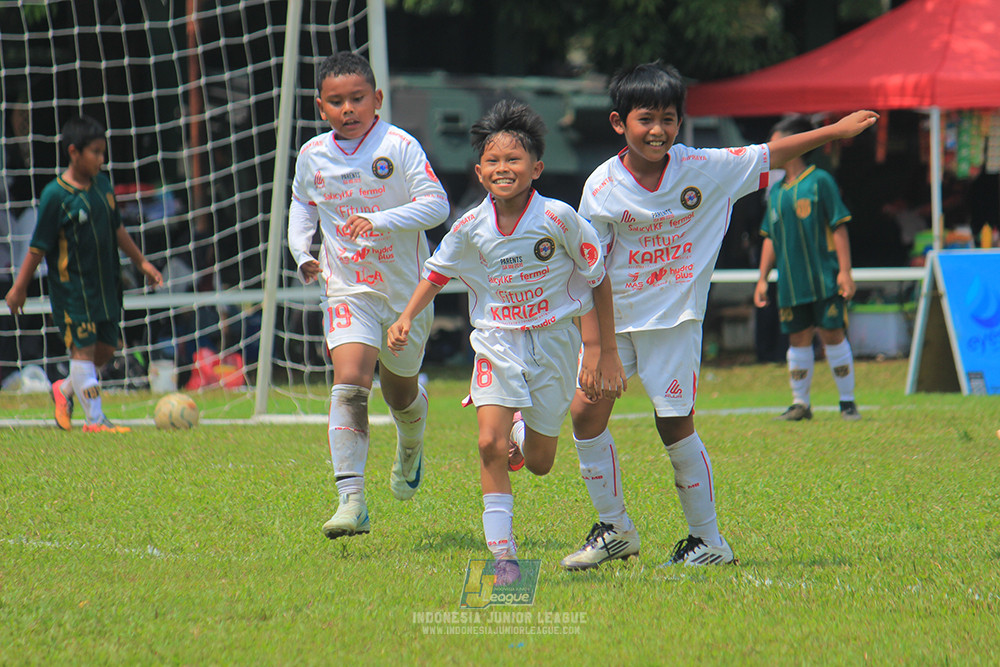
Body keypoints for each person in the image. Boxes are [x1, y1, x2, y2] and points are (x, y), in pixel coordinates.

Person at [559, 62, 878, 570]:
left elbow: (772, 153)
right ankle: (616, 530)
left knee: (674, 426)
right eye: (646, 119)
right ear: (620, 123)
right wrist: (601, 348)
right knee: (584, 415)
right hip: (615, 322)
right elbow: (589, 271)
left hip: (674, 322)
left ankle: (709, 541)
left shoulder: (705, 167)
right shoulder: (601, 187)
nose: (658, 130)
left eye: (669, 118)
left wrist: (835, 131)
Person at [387, 100, 624, 582]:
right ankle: (504, 557)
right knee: (488, 444)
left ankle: (523, 430)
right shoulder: (471, 225)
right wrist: (405, 317)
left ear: (536, 168)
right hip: (496, 342)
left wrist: (598, 350)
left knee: (539, 462)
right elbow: (435, 272)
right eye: (493, 161)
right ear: (479, 171)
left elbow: (597, 277)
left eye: (514, 160)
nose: (503, 168)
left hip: (556, 344)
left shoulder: (558, 218)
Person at [287, 52, 450, 540]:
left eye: (357, 98)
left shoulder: (399, 146)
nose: (348, 109)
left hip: (405, 294)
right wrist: (303, 252)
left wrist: (378, 220)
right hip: (347, 287)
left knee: (400, 394)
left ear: (376, 99)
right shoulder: (313, 155)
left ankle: (411, 443)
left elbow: (437, 205)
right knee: (351, 381)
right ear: (321, 107)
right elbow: (302, 205)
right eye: (336, 102)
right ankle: (351, 500)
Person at [4, 114, 163, 431]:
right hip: (72, 288)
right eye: (95, 152)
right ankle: (96, 420)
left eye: (103, 152)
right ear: (73, 151)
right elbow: (38, 247)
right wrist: (19, 287)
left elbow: (117, 227)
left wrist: (141, 262)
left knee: (104, 351)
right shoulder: (55, 195)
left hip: (106, 285)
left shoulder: (103, 186)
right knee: (83, 351)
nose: (101, 160)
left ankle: (63, 390)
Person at [754, 115, 863, 422]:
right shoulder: (775, 192)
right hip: (790, 283)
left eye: (776, 143)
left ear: (795, 145)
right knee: (797, 338)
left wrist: (845, 271)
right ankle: (800, 403)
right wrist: (762, 278)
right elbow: (769, 238)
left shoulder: (820, 181)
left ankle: (847, 402)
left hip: (823, 279)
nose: (770, 150)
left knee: (832, 334)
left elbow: (839, 226)